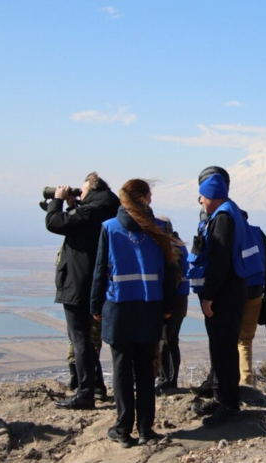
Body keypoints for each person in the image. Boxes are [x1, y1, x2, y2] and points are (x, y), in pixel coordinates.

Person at [90, 179, 178, 448]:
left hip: (119, 309)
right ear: (146, 198)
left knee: (121, 370)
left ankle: (123, 429)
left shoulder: (110, 228)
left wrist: (95, 307)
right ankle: (146, 429)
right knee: (144, 368)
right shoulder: (158, 229)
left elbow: (100, 271)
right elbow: (171, 272)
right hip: (150, 308)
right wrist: (167, 308)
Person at [187, 172, 263, 426]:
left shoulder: (222, 218)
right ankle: (221, 397)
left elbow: (219, 262)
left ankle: (228, 404)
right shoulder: (232, 212)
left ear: (212, 196)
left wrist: (208, 296)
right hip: (234, 290)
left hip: (225, 294)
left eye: (203, 195)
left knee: (223, 348)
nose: (200, 200)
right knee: (222, 347)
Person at [46, 172, 119, 410]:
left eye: (83, 190)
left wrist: (57, 200)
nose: (80, 193)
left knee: (80, 339)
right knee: (85, 339)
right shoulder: (107, 207)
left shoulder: (92, 210)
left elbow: (54, 223)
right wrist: (74, 204)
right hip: (94, 282)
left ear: (93, 189)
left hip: (79, 282)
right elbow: (80, 226)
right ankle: (95, 386)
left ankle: (85, 394)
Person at [238, 212, 266, 386]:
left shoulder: (231, 233)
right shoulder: (258, 234)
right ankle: (246, 381)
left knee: (228, 337)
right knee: (245, 340)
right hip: (256, 291)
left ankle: (229, 381)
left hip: (234, 292)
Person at [156, 219, 190, 394]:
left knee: (166, 341)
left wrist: (166, 304)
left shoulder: (171, 247)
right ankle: (169, 379)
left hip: (173, 299)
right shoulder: (178, 244)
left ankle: (167, 380)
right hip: (180, 299)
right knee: (171, 340)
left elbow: (173, 277)